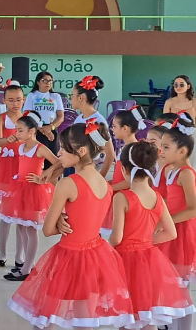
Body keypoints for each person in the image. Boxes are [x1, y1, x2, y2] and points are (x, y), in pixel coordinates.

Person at [9, 123, 134, 328]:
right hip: (97, 255)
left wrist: (58, 220)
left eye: (63, 148)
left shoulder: (69, 183)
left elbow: (48, 230)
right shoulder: (105, 184)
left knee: (45, 319)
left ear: (81, 151)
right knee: (84, 318)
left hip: (69, 256)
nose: (58, 153)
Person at [110, 141, 195, 330]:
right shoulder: (157, 197)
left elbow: (117, 238)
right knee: (148, 314)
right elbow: (171, 232)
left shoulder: (121, 197)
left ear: (124, 169)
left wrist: (107, 250)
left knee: (127, 316)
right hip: (150, 259)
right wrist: (145, 241)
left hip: (125, 260)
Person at [0, 111, 58, 282]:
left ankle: (27, 268)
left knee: (31, 229)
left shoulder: (40, 148)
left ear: (32, 131)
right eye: (16, 130)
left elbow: (58, 163)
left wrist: (44, 176)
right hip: (20, 190)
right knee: (21, 226)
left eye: (19, 130)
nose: (16, 134)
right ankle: (26, 263)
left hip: (34, 192)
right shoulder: (20, 147)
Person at [0, 81, 26, 269]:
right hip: (7, 166)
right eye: (11, 100)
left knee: (21, 214)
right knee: (6, 212)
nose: (15, 104)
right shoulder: (0, 118)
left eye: (18, 100)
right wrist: (7, 140)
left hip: (24, 165)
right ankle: (2, 253)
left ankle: (20, 256)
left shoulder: (29, 117)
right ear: (4, 100)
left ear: (23, 100)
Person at [155, 115, 196, 296]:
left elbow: (194, 209)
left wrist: (167, 221)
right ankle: (170, 323)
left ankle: (183, 323)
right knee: (169, 283)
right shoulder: (171, 170)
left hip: (182, 231)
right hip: (171, 227)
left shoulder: (186, 174)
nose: (161, 151)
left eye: (166, 147)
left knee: (180, 287)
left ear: (182, 151)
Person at [100, 106, 145, 236]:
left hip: (126, 198)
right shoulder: (126, 147)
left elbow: (132, 181)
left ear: (125, 129)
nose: (112, 129)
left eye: (114, 126)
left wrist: (111, 188)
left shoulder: (133, 150)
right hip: (118, 195)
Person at [23, 71, 64, 170]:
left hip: (51, 129)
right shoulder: (32, 96)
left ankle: (52, 184)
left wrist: (50, 128)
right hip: (36, 130)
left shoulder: (55, 96)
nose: (48, 83)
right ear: (38, 82)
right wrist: (42, 129)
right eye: (45, 80)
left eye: (50, 81)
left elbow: (61, 116)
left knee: (52, 161)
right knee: (37, 160)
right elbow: (28, 114)